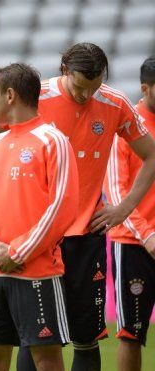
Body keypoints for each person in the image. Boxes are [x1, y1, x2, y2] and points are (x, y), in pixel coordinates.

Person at [0, 43, 155, 371]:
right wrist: (6, 191)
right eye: (80, 87)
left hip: (85, 234)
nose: (86, 96)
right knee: (37, 336)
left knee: (86, 337)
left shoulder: (114, 103)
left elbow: (151, 155)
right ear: (65, 71)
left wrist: (123, 208)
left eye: (94, 88)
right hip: (35, 239)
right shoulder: (36, 98)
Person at [0, 62, 79, 371]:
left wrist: (17, 251)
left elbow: (62, 205)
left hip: (36, 272)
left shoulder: (52, 141)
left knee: (47, 361)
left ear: (11, 95)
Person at [103, 56, 155, 371]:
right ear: (145, 88)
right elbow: (117, 191)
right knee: (131, 333)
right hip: (134, 244)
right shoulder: (128, 126)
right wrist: (148, 236)